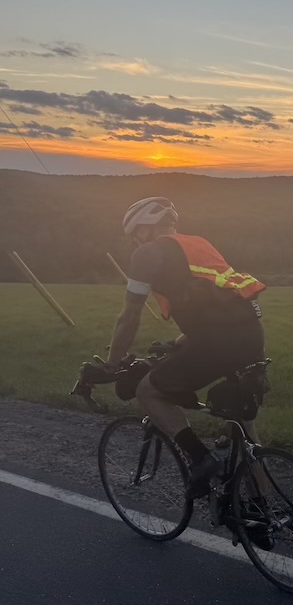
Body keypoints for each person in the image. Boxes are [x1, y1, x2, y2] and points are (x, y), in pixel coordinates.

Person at [106, 196, 266, 498]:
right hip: (250, 338)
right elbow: (219, 304)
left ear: (143, 229)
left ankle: (201, 460)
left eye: (134, 236)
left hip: (216, 344)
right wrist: (179, 343)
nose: (134, 242)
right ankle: (262, 513)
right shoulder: (198, 244)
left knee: (148, 391)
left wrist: (112, 363)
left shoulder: (146, 254)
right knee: (246, 433)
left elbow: (129, 317)